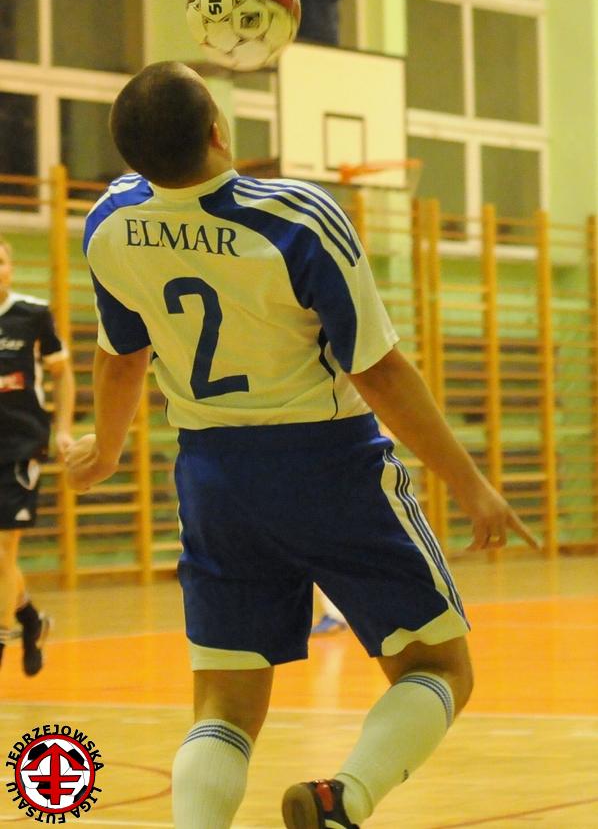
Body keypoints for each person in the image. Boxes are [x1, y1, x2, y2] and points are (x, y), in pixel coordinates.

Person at [66, 61, 537, 829]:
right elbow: (379, 371)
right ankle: (343, 799)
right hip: (328, 463)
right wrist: (471, 484)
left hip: (212, 474)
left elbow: (122, 357)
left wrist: (108, 449)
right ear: (219, 130)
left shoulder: (109, 221)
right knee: (438, 665)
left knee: (224, 703)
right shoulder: (298, 215)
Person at [0, 235, 74, 675]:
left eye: (1, 261)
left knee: (4, 549)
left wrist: (62, 429)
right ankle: (30, 620)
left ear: (11, 268)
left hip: (20, 446)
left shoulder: (31, 314)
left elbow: (61, 375)